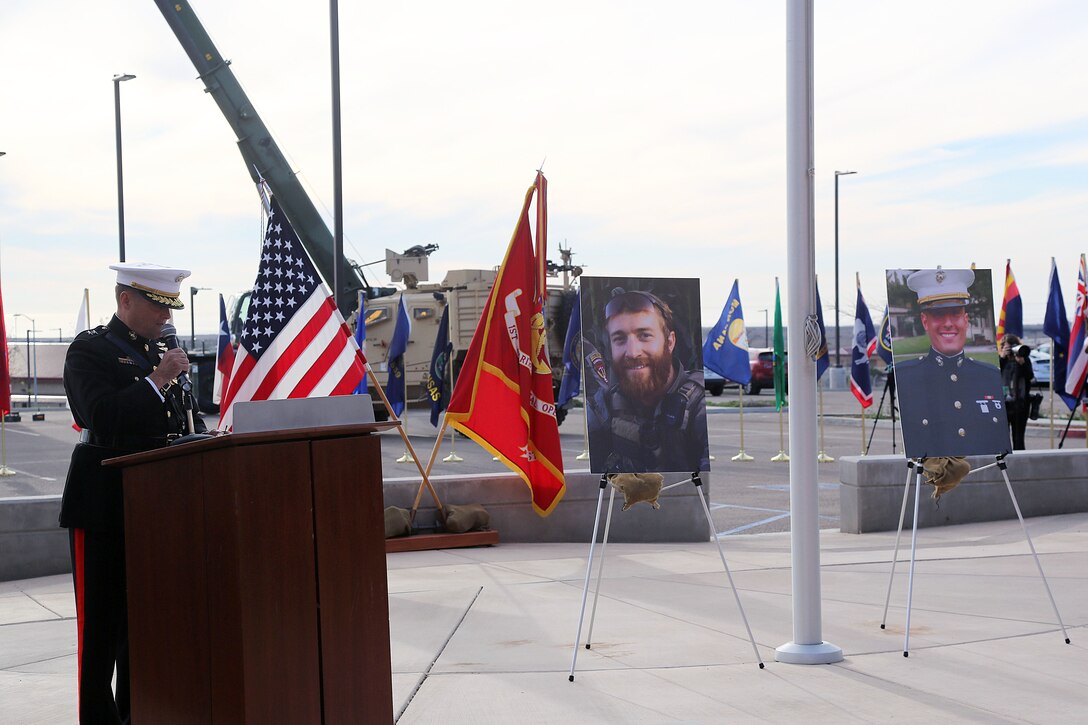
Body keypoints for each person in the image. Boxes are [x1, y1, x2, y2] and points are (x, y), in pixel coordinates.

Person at [60, 262, 206, 724]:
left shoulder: (161, 353)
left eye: (170, 308)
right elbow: (97, 414)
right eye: (157, 305)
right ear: (125, 301)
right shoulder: (92, 351)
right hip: (103, 505)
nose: (166, 317)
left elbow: (185, 423)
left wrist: (207, 438)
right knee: (100, 635)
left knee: (143, 632)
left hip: (156, 509)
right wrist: (156, 380)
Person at [587, 288, 709, 473]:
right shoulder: (602, 406)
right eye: (619, 339)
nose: (633, 352)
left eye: (645, 335)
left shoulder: (699, 405)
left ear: (670, 342)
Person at [894, 267, 1010, 459]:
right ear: (925, 321)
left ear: (966, 320)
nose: (948, 323)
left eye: (955, 313)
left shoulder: (990, 376)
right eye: (938, 315)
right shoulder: (904, 377)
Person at [1001, 339, 1034, 450]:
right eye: (1009, 348)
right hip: (1003, 405)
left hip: (1020, 404)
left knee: (1018, 437)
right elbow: (993, 374)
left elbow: (1030, 376)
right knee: (1003, 438)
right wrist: (1002, 357)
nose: (1012, 351)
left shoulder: (1024, 359)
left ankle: (1019, 461)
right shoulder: (1002, 360)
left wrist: (1022, 363)